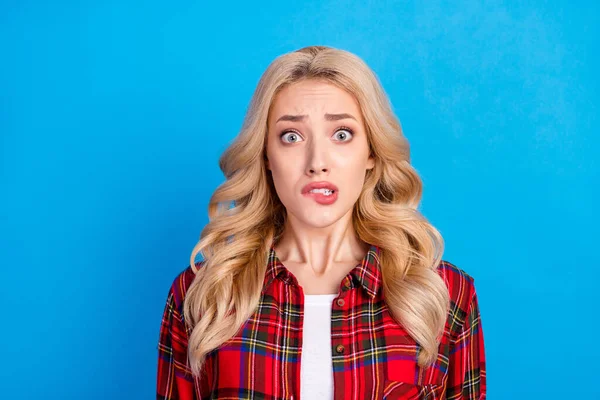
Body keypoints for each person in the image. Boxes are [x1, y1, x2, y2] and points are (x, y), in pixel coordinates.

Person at [156, 45, 486, 400]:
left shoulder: (444, 293)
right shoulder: (206, 295)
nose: (317, 162)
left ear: (372, 152)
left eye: (341, 134)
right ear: (266, 155)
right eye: (291, 137)